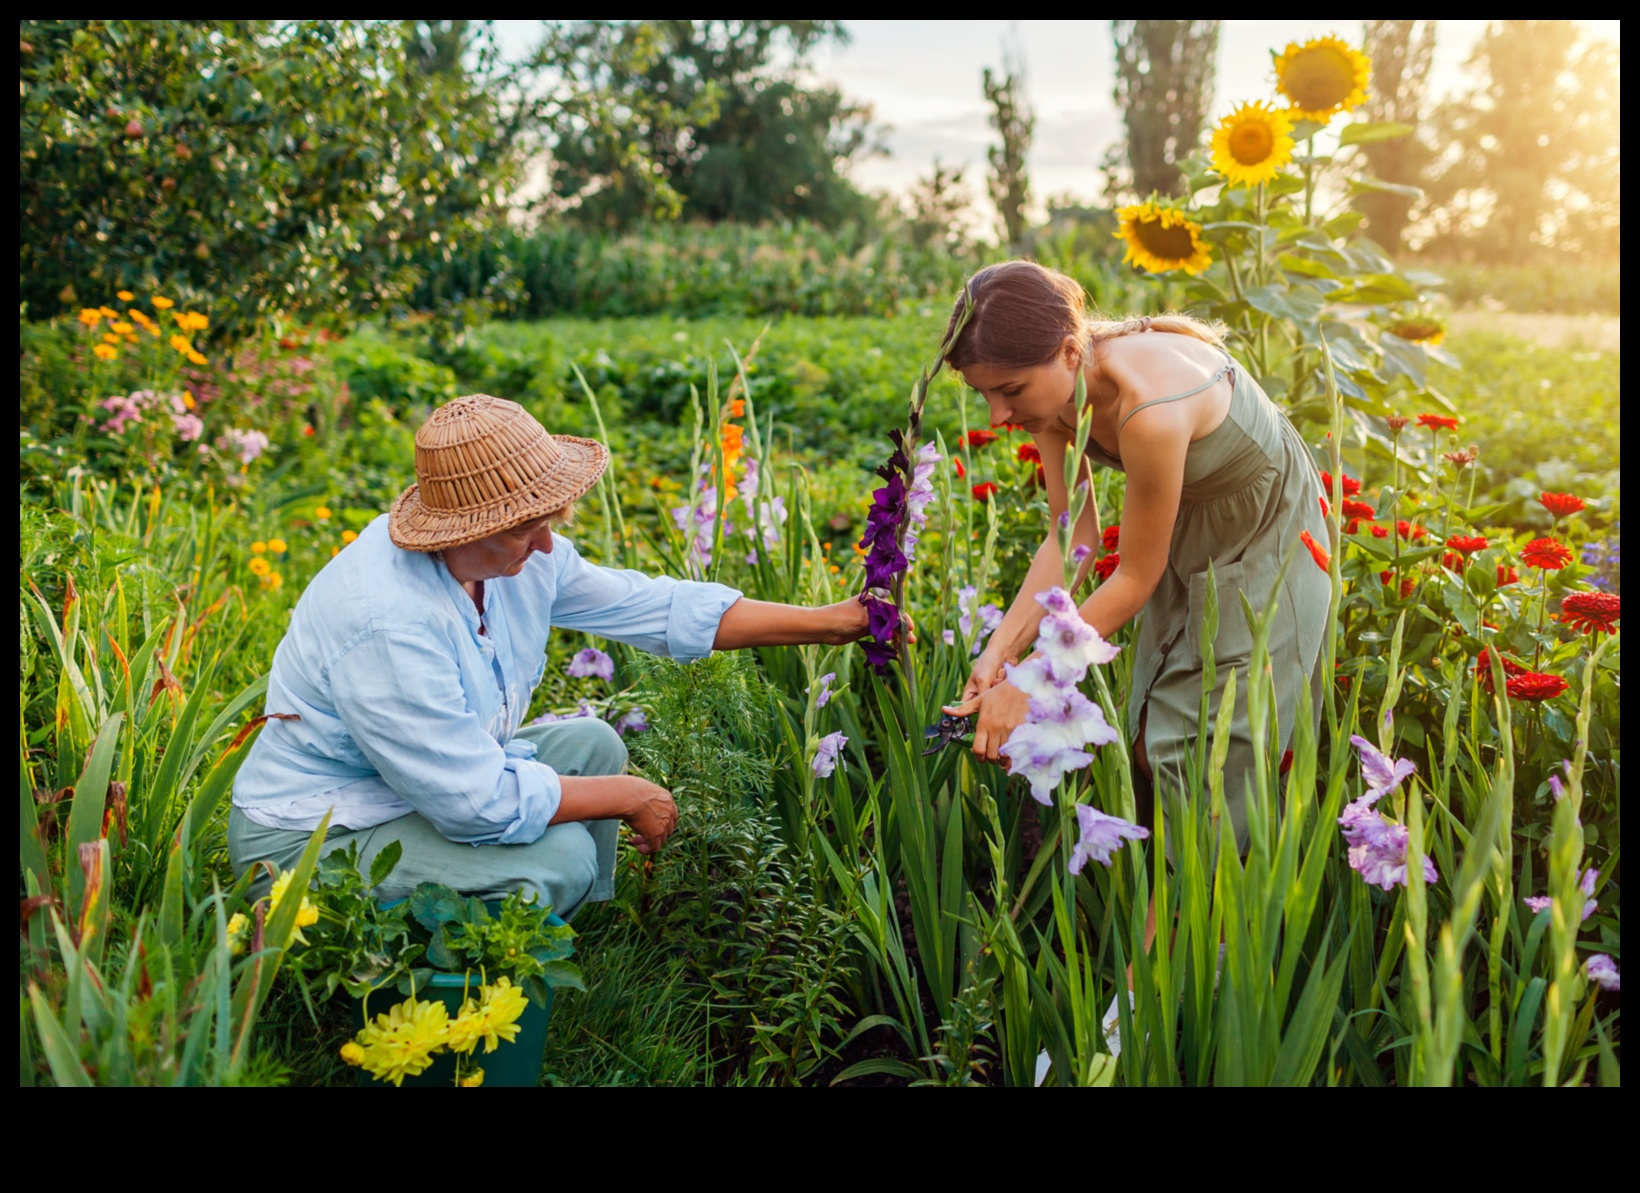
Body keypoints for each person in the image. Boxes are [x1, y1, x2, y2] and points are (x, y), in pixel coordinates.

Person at [230, 393, 876, 918]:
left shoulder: (512, 557)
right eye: (523, 526)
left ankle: (552, 927)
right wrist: (624, 795)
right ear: (462, 530)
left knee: (593, 743)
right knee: (562, 856)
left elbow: (653, 606)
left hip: (404, 788)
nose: (546, 545)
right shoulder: (385, 620)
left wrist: (831, 622)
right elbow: (473, 801)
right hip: (316, 837)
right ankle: (462, 981)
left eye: (549, 518)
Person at [938, 261, 1329, 1050]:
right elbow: (1072, 539)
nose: (997, 411)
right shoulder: (1057, 400)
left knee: (1201, 754)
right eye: (984, 393)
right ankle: (1181, 956)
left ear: (1069, 350)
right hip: (1189, 540)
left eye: (1010, 390)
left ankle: (1143, 1011)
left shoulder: (1151, 407)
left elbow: (1136, 575)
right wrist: (996, 652)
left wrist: (1033, 679)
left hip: (1265, 548)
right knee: (1151, 738)